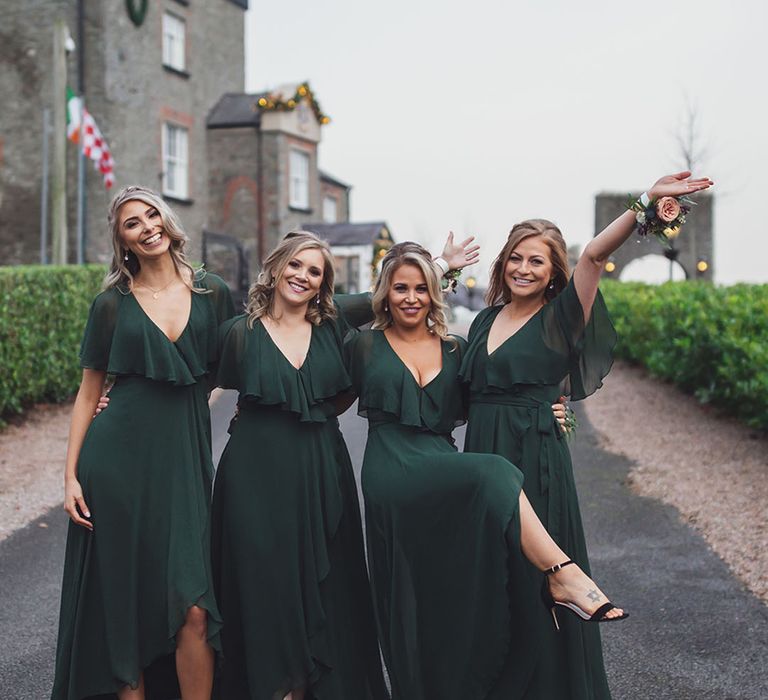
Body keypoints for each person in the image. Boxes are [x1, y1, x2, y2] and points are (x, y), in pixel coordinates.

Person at [459, 170, 713, 698]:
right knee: (492, 581)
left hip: (534, 455)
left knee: (542, 580)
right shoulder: (483, 322)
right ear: (503, 263)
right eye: (516, 257)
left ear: (554, 270)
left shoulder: (562, 317)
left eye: (537, 260)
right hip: (484, 454)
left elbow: (595, 255)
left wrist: (645, 202)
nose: (524, 268)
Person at [344, 242, 627, 700]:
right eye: (399, 288)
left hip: (440, 464)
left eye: (421, 288)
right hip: (389, 469)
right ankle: (562, 571)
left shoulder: (456, 348)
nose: (411, 298)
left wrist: (551, 410)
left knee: (451, 590)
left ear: (434, 294)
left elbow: (497, 394)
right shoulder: (362, 345)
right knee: (492, 473)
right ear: (384, 292)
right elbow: (325, 385)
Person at [51, 186, 235, 700]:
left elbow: (255, 345)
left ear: (168, 218)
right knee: (125, 605)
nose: (146, 226)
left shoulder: (211, 291)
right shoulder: (111, 303)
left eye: (152, 213)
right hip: (115, 462)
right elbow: (88, 395)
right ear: (122, 241)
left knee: (193, 607)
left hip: (183, 459)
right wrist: (69, 478)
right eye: (132, 223)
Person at [210, 231, 389, 700]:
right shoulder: (237, 333)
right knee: (264, 582)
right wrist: (117, 397)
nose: (303, 276)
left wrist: (443, 265)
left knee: (324, 580)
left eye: (314, 271)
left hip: (319, 468)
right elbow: (197, 387)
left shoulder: (332, 324)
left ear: (322, 282)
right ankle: (275, 687)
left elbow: (393, 293)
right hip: (253, 473)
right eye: (296, 265)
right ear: (275, 267)